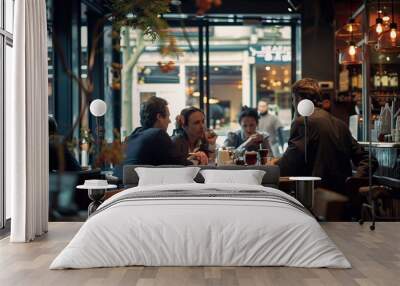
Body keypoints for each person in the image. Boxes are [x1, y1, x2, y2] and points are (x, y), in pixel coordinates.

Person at [274, 78, 378, 194]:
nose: (293, 103)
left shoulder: (303, 122)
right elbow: (369, 160)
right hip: (342, 201)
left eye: (293, 99)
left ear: (299, 99)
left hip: (315, 199)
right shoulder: (340, 124)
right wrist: (353, 183)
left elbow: (288, 167)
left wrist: (270, 166)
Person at [114, 96, 190, 179]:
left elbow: (169, 158)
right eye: (168, 116)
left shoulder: (132, 136)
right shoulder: (157, 134)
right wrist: (197, 161)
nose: (170, 121)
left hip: (122, 189)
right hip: (140, 190)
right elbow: (180, 166)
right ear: (159, 117)